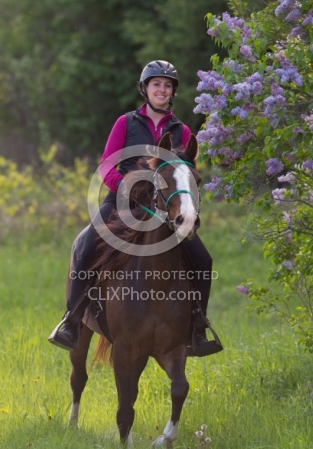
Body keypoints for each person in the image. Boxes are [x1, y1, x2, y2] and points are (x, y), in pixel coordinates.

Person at [49, 60, 221, 356]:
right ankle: (72, 321)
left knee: (203, 261)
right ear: (145, 89)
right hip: (122, 201)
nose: (162, 89)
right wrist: (124, 185)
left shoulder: (182, 132)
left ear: (172, 93)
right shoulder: (126, 123)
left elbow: (186, 173)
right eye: (156, 84)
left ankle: (197, 328)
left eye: (167, 85)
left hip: (165, 207)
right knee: (87, 244)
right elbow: (106, 164)